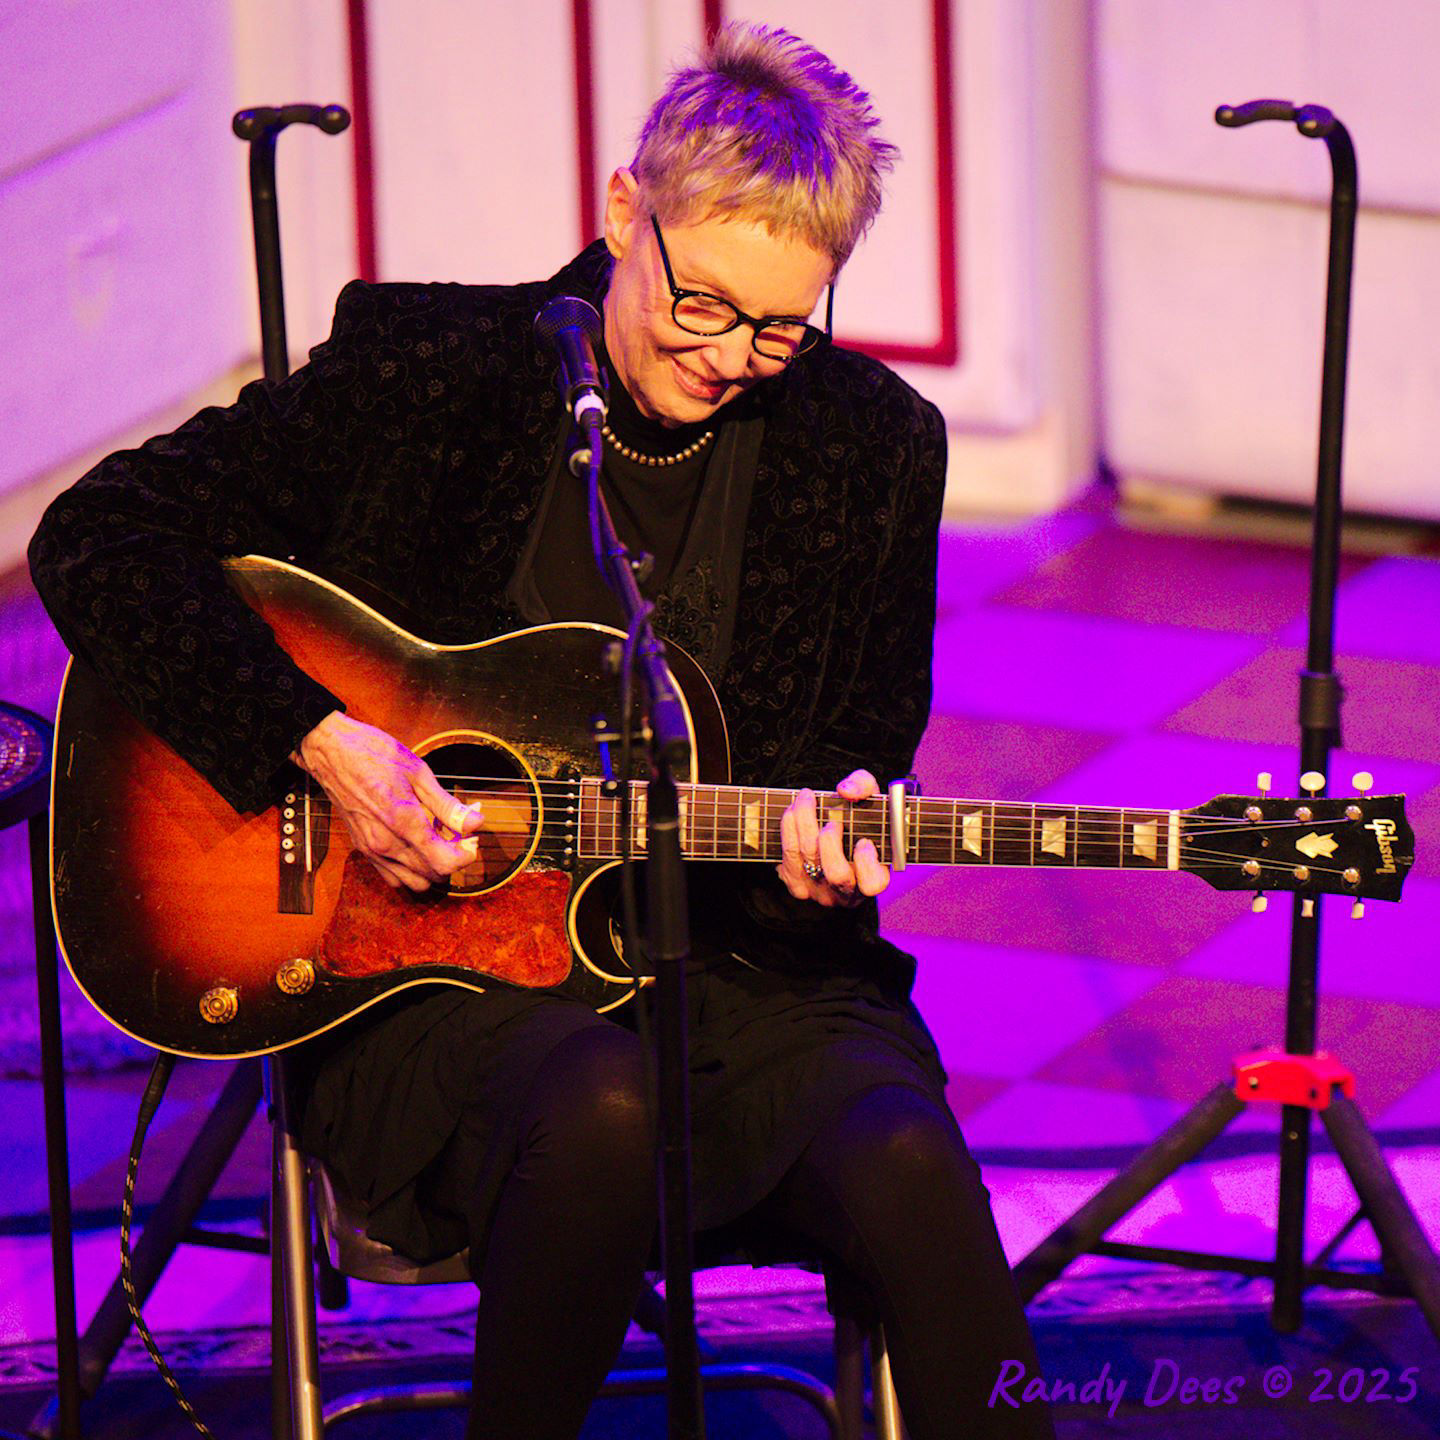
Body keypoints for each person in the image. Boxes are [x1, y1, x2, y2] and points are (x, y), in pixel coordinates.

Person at [30, 23, 1053, 1439]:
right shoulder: (432, 371)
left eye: (780, 327)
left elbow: (857, 748)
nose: (734, 357)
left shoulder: (872, 445)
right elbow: (98, 535)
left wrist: (830, 843)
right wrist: (313, 737)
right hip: (419, 973)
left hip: (738, 970)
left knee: (906, 1157)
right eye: (704, 305)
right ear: (628, 212)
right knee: (600, 1103)